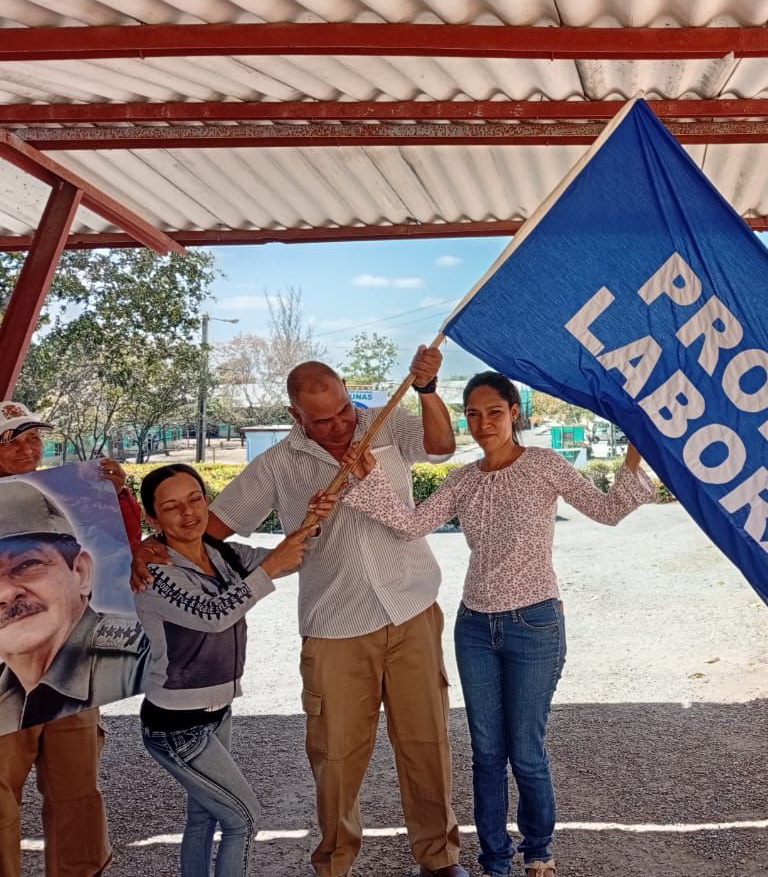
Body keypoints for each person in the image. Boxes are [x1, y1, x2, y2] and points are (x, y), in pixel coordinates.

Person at [131, 347, 464, 877]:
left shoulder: (386, 422)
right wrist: (151, 546)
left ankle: (439, 856)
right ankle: (334, 863)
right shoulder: (277, 464)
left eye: (343, 412)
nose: (338, 427)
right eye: (321, 420)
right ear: (295, 415)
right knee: (335, 755)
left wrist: (426, 389)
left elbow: (442, 447)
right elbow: (211, 527)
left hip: (412, 608)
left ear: (349, 395)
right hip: (334, 625)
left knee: (427, 741)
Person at [330, 371, 656, 877]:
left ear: (514, 413)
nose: (484, 424)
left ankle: (539, 851)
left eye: (495, 413)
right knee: (485, 752)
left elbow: (609, 510)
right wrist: (368, 474)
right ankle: (495, 860)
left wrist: (636, 448)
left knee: (525, 750)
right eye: (474, 415)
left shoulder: (544, 465)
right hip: (475, 627)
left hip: (535, 623)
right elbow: (413, 525)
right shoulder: (463, 479)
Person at [133, 464, 320, 877]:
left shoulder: (224, 554)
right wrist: (269, 569)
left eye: (195, 499)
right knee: (243, 819)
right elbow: (213, 614)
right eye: (172, 507)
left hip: (217, 711)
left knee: (204, 815)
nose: (188, 513)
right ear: (153, 519)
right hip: (175, 723)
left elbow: (290, 558)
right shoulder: (153, 573)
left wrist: (313, 521)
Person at [0, 401, 144, 877]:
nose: (28, 448)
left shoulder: (64, 497)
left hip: (73, 673)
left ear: (77, 570)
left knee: (77, 790)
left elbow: (119, 550)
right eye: (11, 440)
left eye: (33, 437)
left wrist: (118, 495)